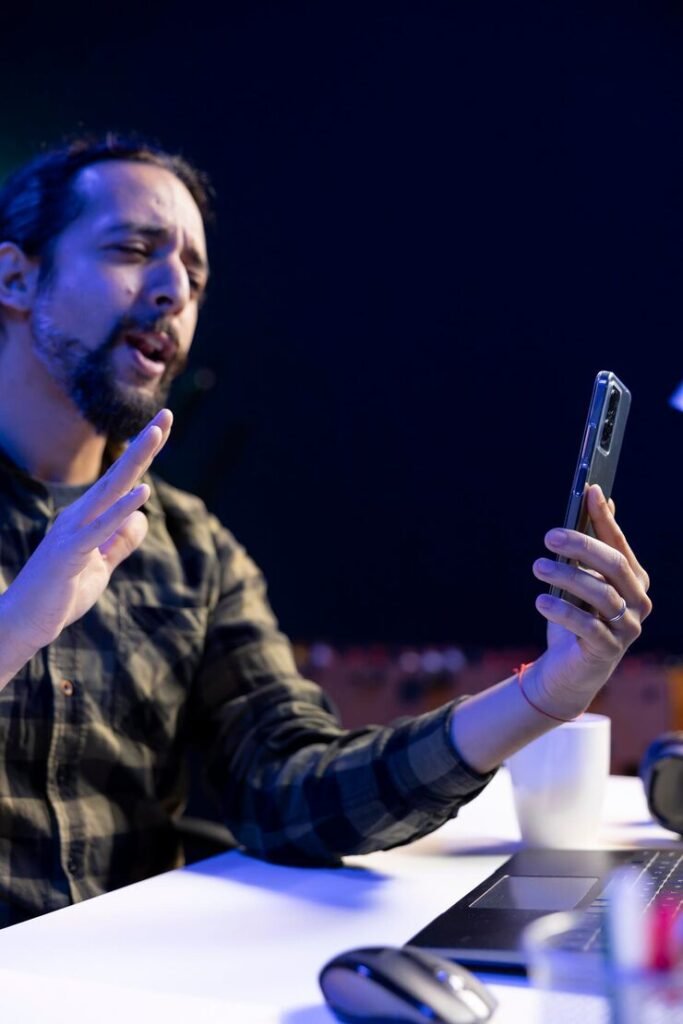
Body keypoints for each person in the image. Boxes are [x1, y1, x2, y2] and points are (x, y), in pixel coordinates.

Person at [0, 134, 651, 928]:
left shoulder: (188, 547)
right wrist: (16, 626)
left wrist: (545, 693)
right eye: (134, 250)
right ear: (15, 277)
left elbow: (293, 789)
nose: (174, 290)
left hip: (117, 977)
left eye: (196, 278)